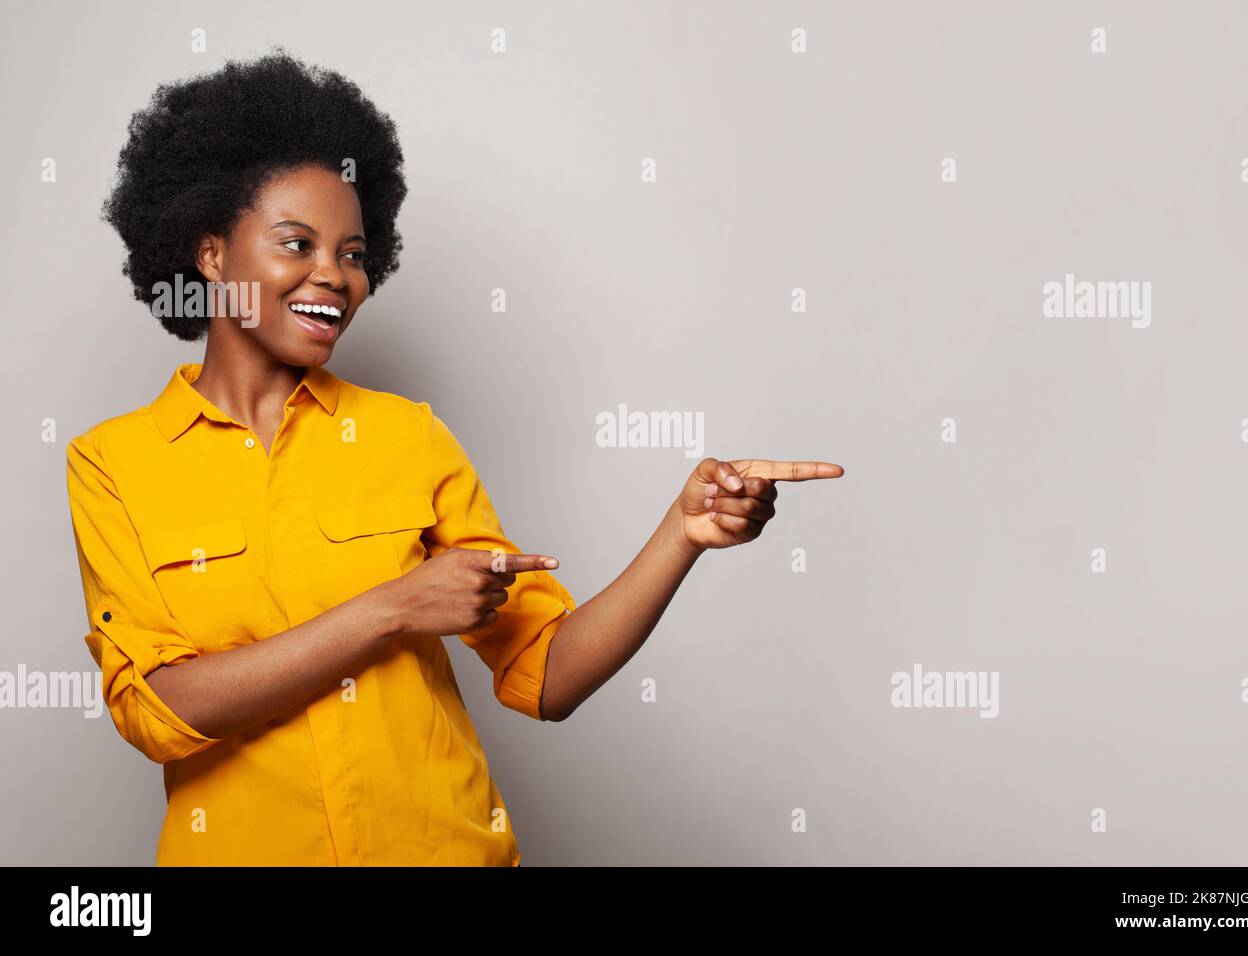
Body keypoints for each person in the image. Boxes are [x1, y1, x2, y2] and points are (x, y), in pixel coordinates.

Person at [66, 49, 845, 866]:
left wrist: (680, 535)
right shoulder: (114, 462)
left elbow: (546, 676)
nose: (334, 277)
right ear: (213, 256)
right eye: (297, 244)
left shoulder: (409, 438)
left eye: (356, 254)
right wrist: (393, 608)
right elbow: (156, 711)